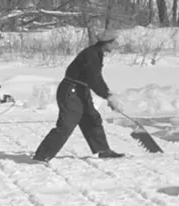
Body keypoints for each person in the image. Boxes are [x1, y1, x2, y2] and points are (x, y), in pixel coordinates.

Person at [33, 30, 125, 162]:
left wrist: (108, 94)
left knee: (92, 119)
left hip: (80, 90)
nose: (115, 45)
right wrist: (108, 96)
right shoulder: (92, 55)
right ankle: (42, 156)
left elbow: (96, 78)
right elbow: (94, 79)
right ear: (106, 43)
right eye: (113, 42)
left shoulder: (96, 53)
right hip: (71, 91)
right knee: (66, 125)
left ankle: (103, 150)